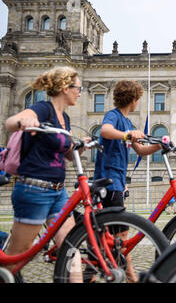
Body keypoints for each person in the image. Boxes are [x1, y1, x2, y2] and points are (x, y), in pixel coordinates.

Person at [3, 67, 86, 282]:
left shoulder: (64, 118)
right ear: (65, 88)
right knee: (19, 256)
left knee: (72, 249)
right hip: (34, 190)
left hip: (58, 193)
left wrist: (79, 147)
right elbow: (11, 123)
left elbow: (66, 153)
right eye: (78, 88)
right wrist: (25, 121)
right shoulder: (42, 108)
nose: (80, 92)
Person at [93, 80, 162, 282]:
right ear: (133, 99)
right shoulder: (113, 116)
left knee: (114, 238)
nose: (138, 103)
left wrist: (159, 145)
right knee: (121, 238)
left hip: (117, 184)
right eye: (138, 99)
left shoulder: (128, 123)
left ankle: (100, 271)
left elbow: (140, 150)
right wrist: (126, 135)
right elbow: (104, 131)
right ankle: (131, 278)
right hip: (109, 183)